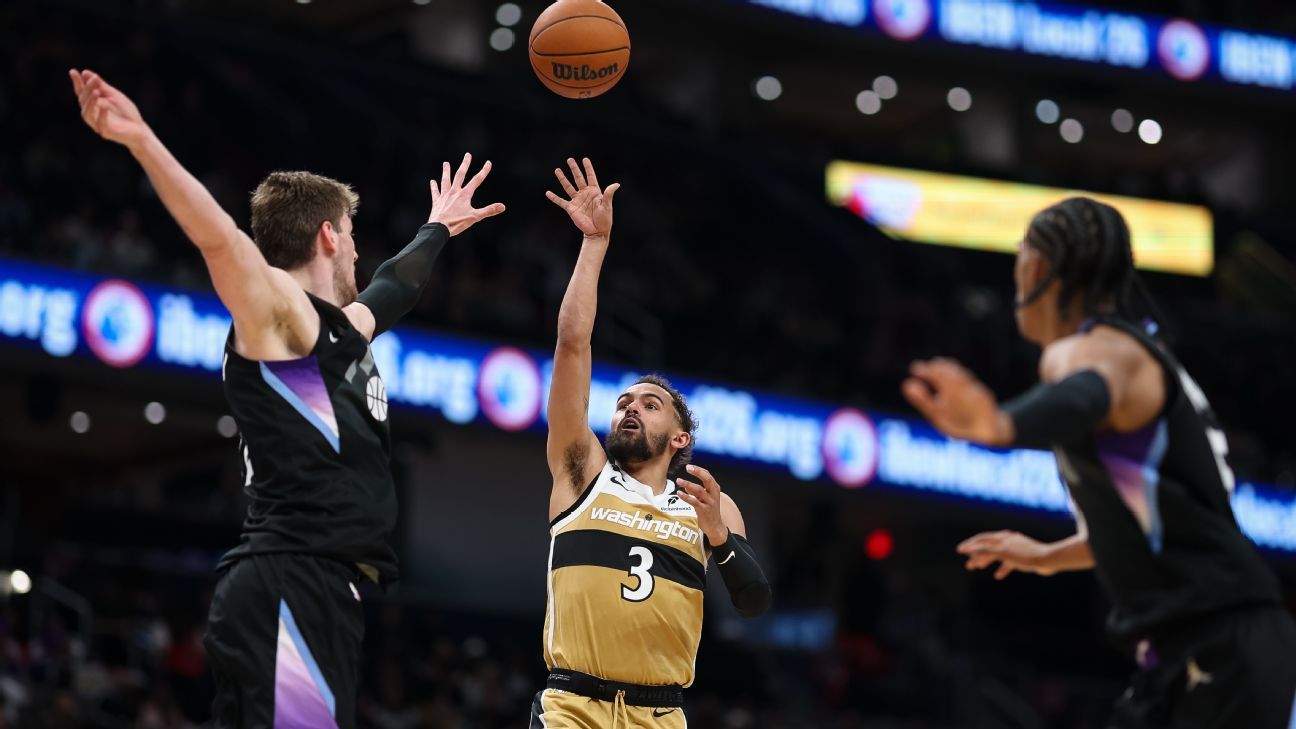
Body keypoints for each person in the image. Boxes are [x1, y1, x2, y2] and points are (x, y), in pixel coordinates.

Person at [70, 68, 505, 729]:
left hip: (316, 587)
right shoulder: (283, 316)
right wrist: (142, 141)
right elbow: (219, 238)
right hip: (288, 580)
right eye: (353, 238)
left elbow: (392, 288)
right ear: (330, 235)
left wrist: (437, 229)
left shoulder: (333, 333)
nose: (360, 255)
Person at [902, 196, 1296, 728]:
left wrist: (1002, 425)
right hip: (1206, 648)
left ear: (1039, 266)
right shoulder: (1129, 352)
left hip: (1219, 643)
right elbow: (1149, 525)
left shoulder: (1091, 352)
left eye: (1021, 252)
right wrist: (1047, 556)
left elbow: (1088, 391)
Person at [530, 158, 771, 728]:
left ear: (680, 437)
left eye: (649, 403)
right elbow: (571, 344)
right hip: (572, 708)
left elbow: (754, 600)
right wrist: (594, 244)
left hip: (660, 716)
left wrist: (719, 535)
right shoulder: (580, 472)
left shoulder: (707, 505)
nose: (629, 407)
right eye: (623, 403)